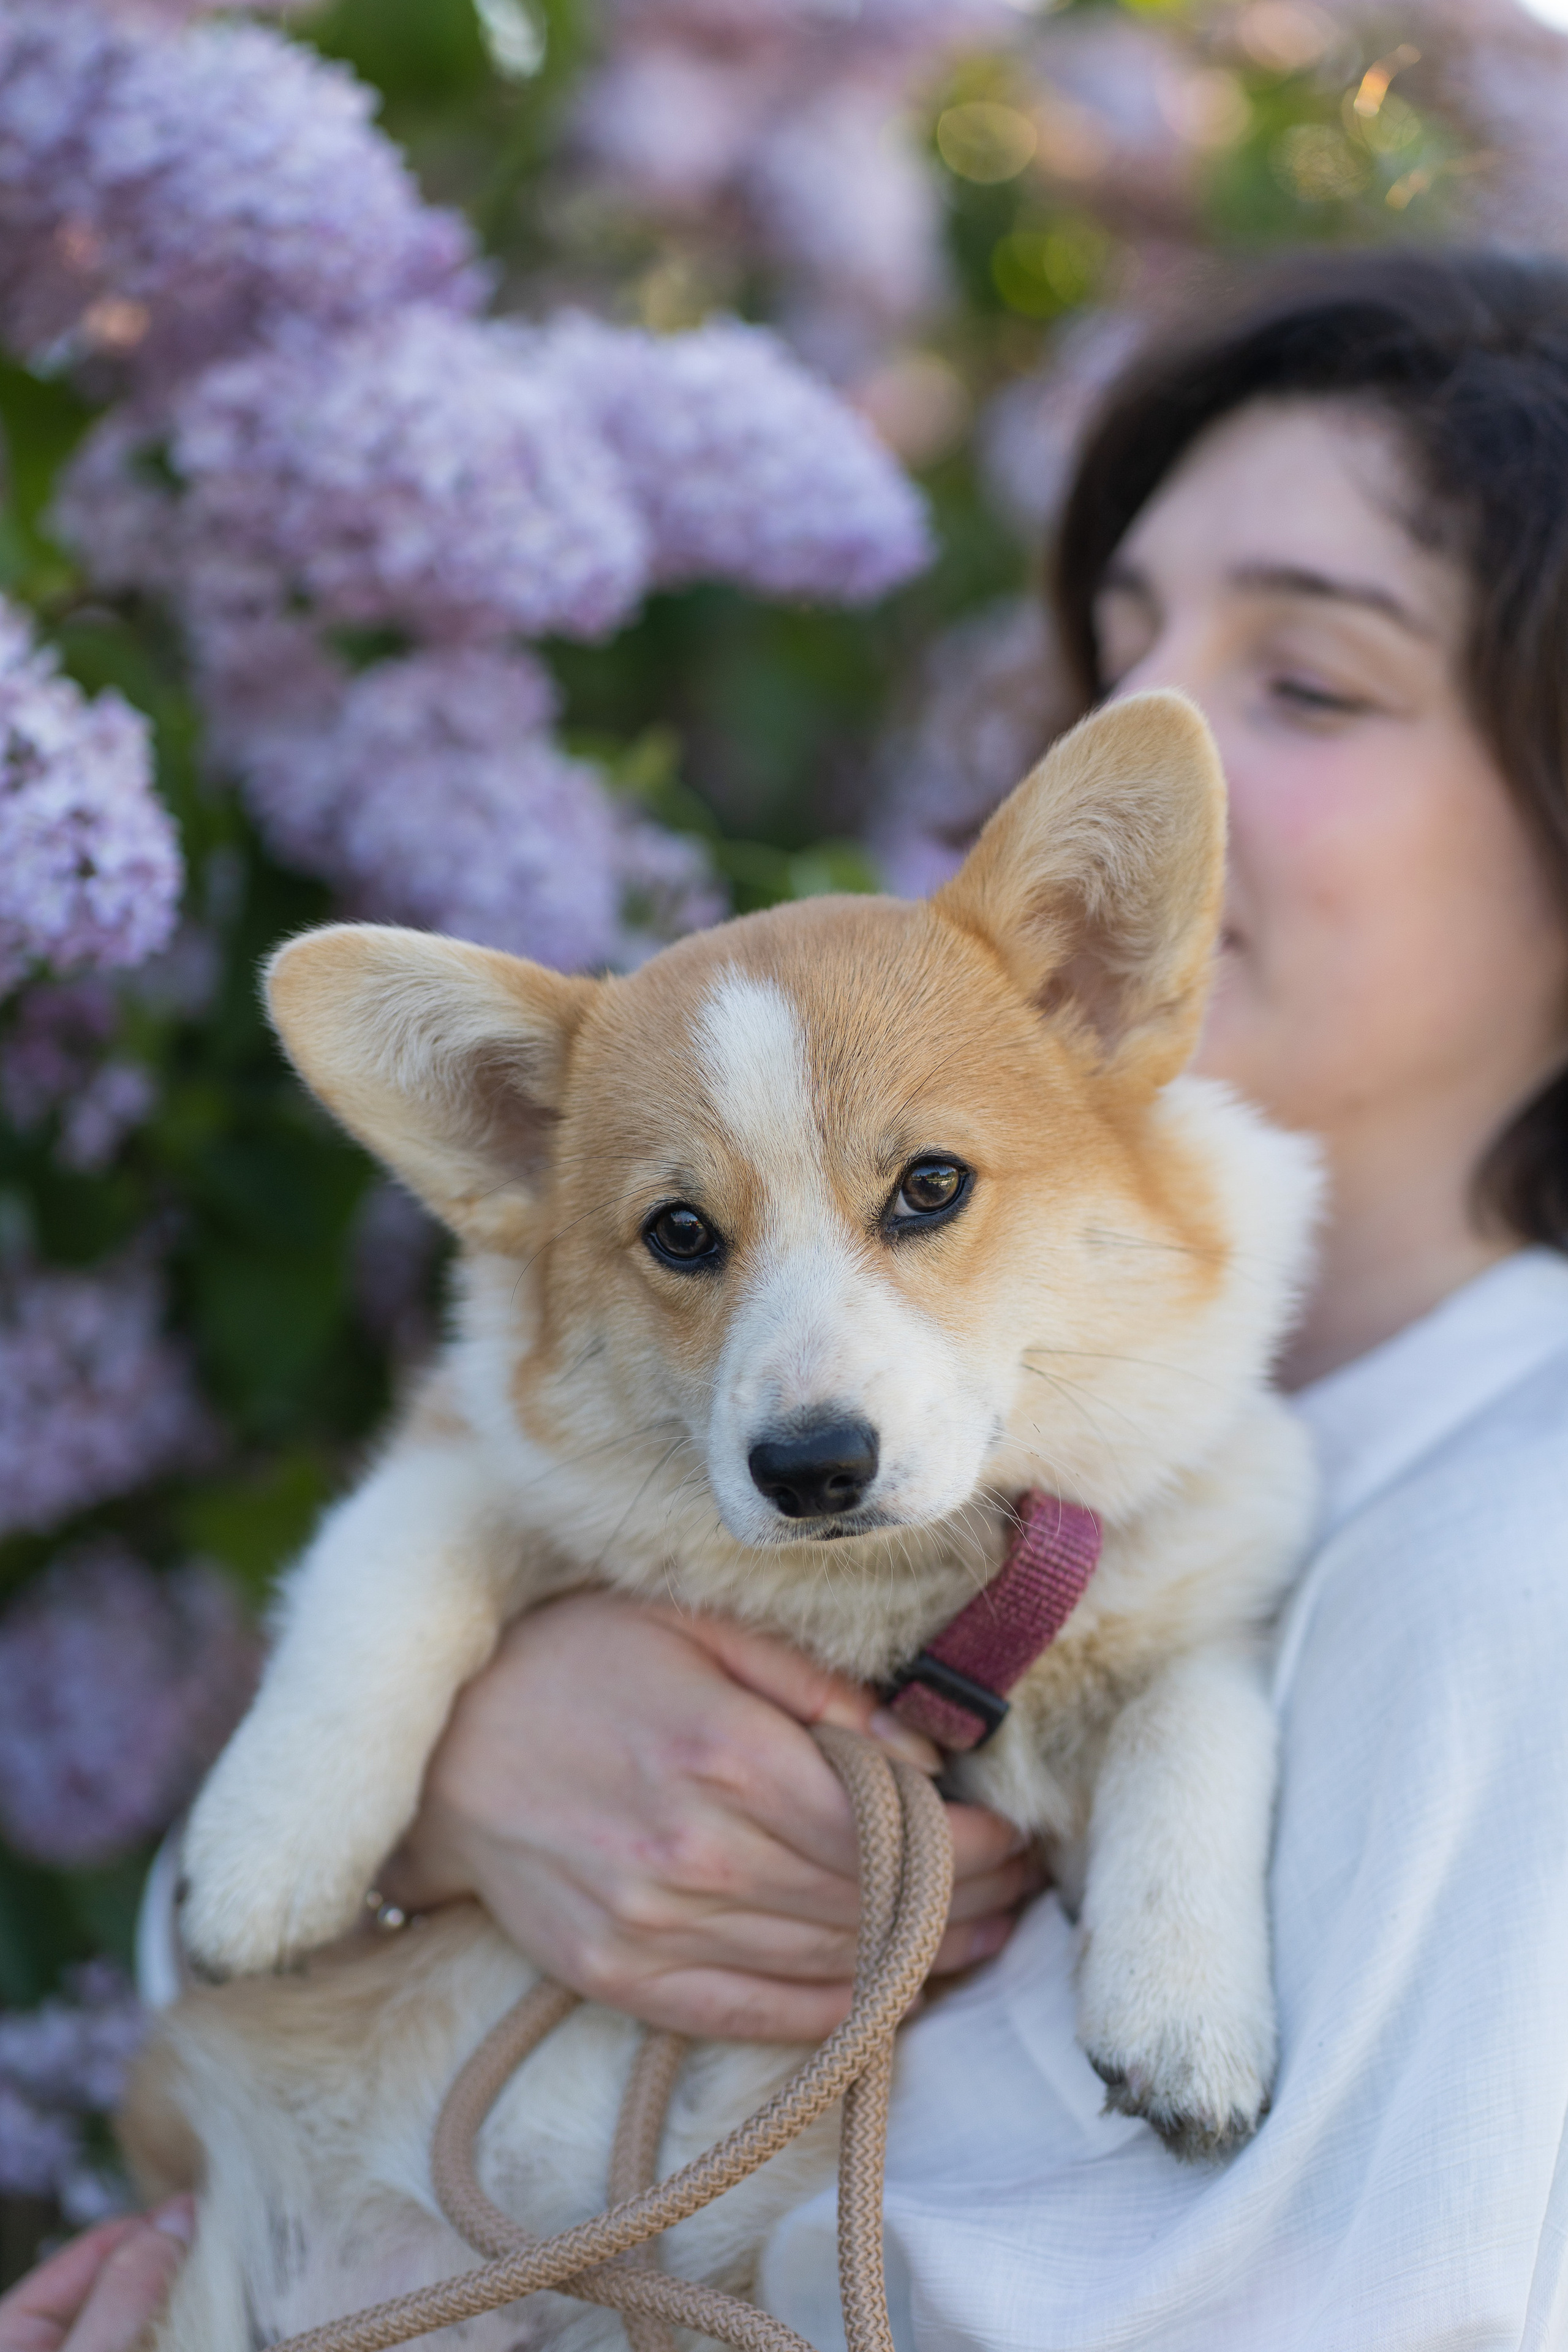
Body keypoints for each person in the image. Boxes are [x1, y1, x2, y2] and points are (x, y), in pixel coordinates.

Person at [117, 244, 1568, 2343]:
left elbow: (1360, 2298)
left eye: (1312, 683)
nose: (1157, 753)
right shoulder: (1055, 1373)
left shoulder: (1513, 1552)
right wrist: (454, 1788)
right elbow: (227, 2013)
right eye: (1123, 637)